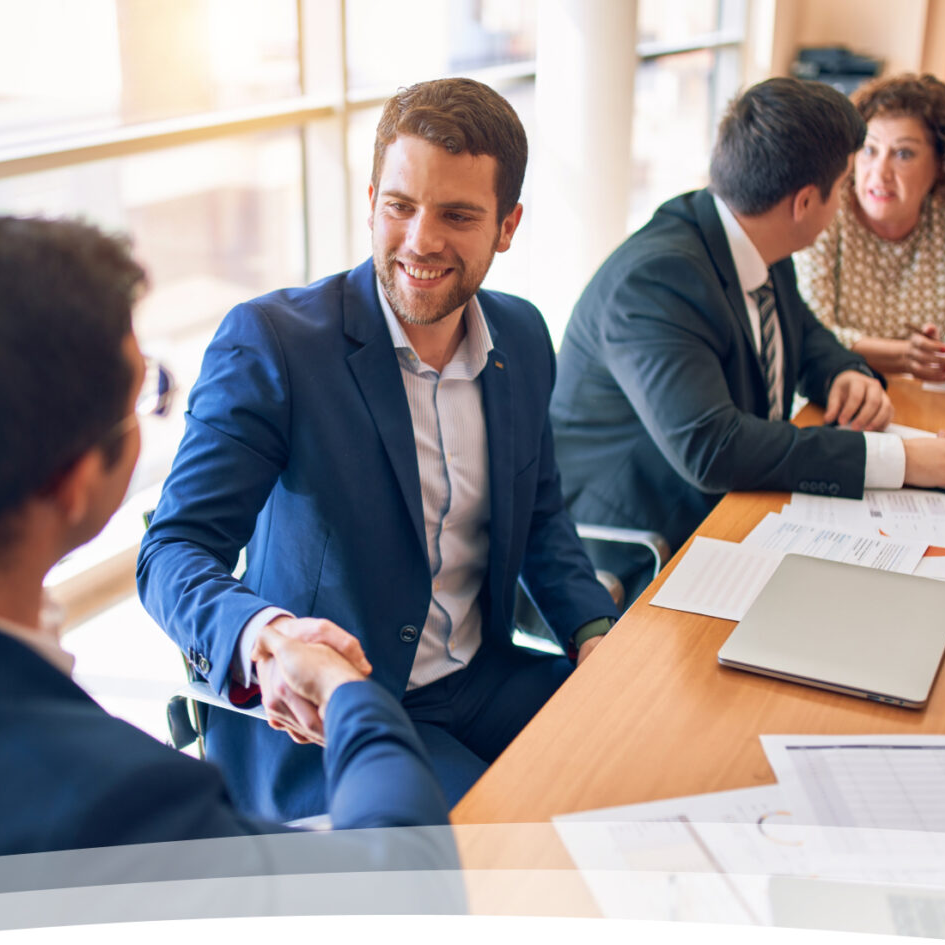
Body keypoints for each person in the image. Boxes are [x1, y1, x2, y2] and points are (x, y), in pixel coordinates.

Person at [137, 77, 618, 821]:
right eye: (400, 206)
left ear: (507, 225)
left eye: (457, 214)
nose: (421, 240)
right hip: (336, 713)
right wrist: (270, 640)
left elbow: (541, 514)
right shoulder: (274, 344)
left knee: (644, 757)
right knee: (504, 841)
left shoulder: (522, 336)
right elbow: (173, 552)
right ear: (370, 202)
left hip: (483, 680)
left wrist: (592, 632)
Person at [0, 216, 453, 860]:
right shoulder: (114, 800)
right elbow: (400, 868)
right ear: (72, 480)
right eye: (144, 394)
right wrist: (351, 698)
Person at [550, 77, 945, 603]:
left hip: (733, 507)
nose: (847, 200)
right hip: (643, 542)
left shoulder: (748, 230)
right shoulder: (657, 280)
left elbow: (803, 330)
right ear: (805, 202)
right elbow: (715, 449)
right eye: (844, 184)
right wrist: (902, 460)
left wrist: (842, 372)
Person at [796, 73, 945, 381]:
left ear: (943, 163)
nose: (880, 172)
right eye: (869, 150)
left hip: (918, 396)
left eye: (903, 154)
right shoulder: (827, 213)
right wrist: (904, 355)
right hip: (830, 389)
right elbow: (812, 335)